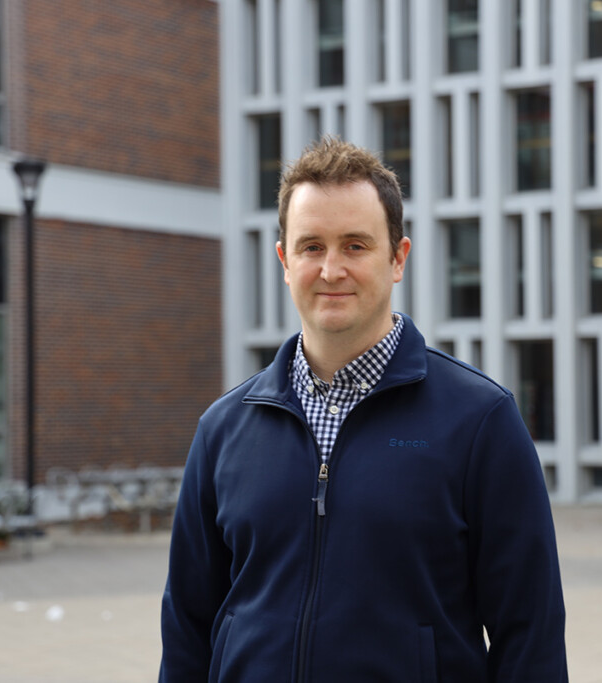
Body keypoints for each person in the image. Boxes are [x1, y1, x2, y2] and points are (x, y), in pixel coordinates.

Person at [159, 138, 567, 681]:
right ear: (284, 260)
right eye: (311, 247)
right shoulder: (223, 430)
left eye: (355, 245)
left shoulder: (480, 422)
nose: (331, 270)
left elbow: (529, 635)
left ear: (398, 258)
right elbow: (187, 629)